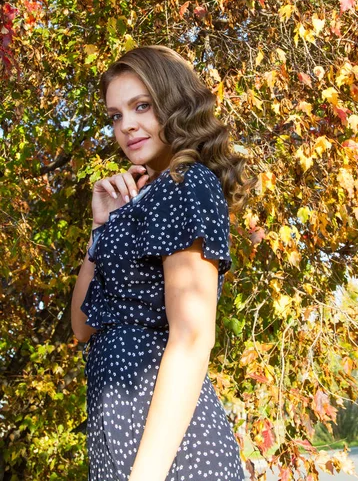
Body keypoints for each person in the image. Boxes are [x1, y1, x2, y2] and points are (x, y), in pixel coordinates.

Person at [71, 45, 252, 481]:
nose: (126, 125)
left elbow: (192, 336)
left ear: (174, 105)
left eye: (141, 106)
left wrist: (145, 475)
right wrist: (102, 226)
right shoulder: (144, 201)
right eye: (115, 115)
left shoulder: (186, 184)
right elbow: (81, 327)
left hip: (171, 452)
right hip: (121, 435)